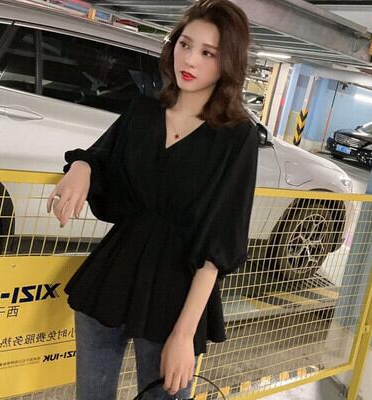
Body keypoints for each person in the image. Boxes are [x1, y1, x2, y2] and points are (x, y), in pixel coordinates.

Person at [47, 0, 259, 399]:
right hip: (112, 277)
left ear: (228, 62)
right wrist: (81, 167)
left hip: (176, 296)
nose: (189, 59)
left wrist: (184, 334)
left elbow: (218, 244)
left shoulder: (237, 137)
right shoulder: (143, 111)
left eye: (208, 53)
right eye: (185, 44)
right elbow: (101, 156)